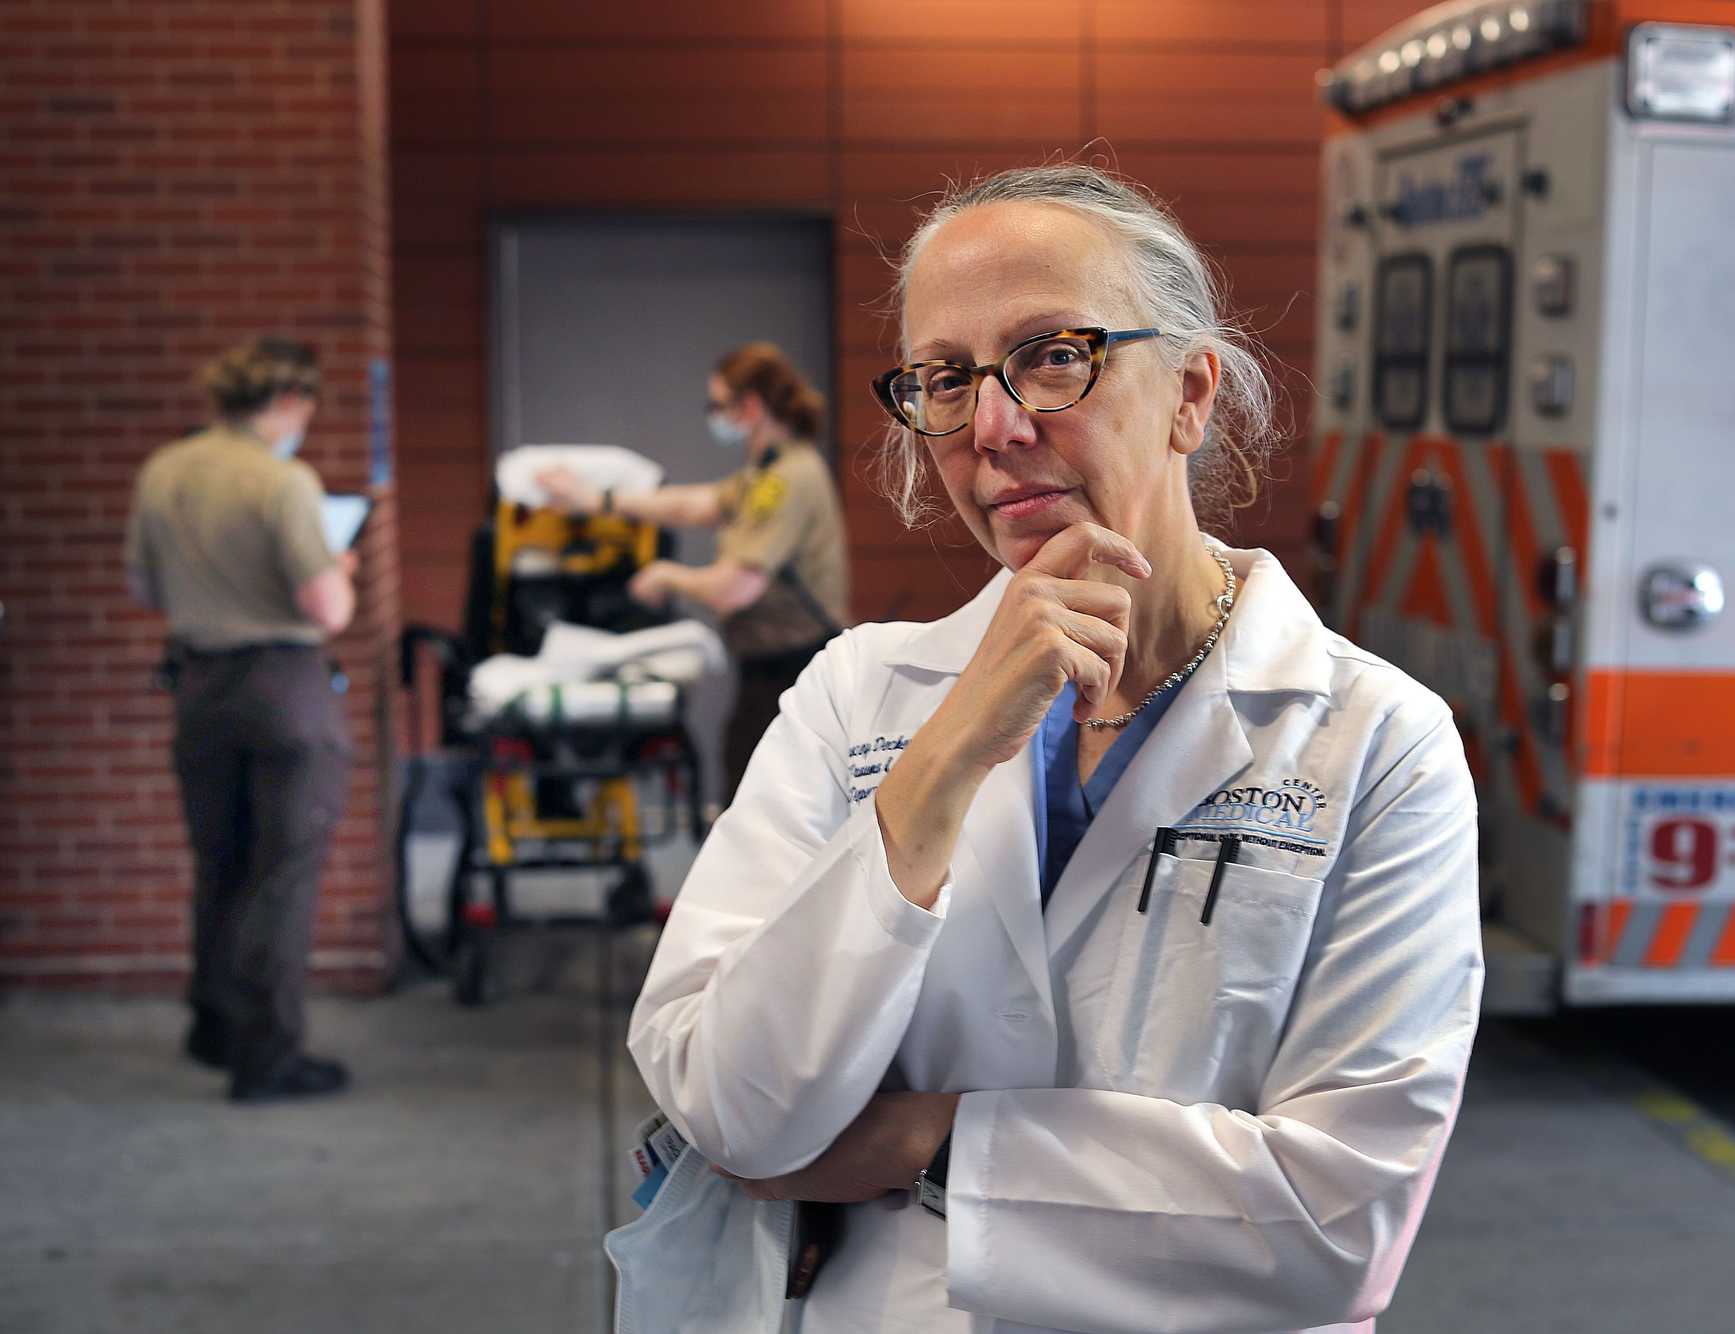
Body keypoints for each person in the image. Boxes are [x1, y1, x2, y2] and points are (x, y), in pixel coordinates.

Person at [622, 165, 1482, 1332]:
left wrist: (929, 1140)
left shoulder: (1374, 741)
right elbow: (732, 1109)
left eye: (1051, 354)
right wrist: (946, 752)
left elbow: (1335, 1224)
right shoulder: (857, 696)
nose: (991, 426)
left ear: (1187, 393)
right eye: (943, 378)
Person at [124, 336, 357, 1105]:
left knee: (218, 862)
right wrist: (340, 572)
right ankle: (268, 1058)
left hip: (197, 684)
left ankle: (214, 1025)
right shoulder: (283, 479)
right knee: (282, 874)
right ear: (290, 402)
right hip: (283, 686)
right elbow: (325, 607)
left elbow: (143, 584)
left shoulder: (164, 470)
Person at [536, 343, 849, 802]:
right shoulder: (765, 473)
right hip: (773, 669)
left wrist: (667, 576)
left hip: (790, 671)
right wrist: (596, 500)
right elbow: (694, 504)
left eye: (718, 405)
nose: (714, 417)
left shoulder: (784, 480)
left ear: (751, 407)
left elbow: (736, 587)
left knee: (754, 810)